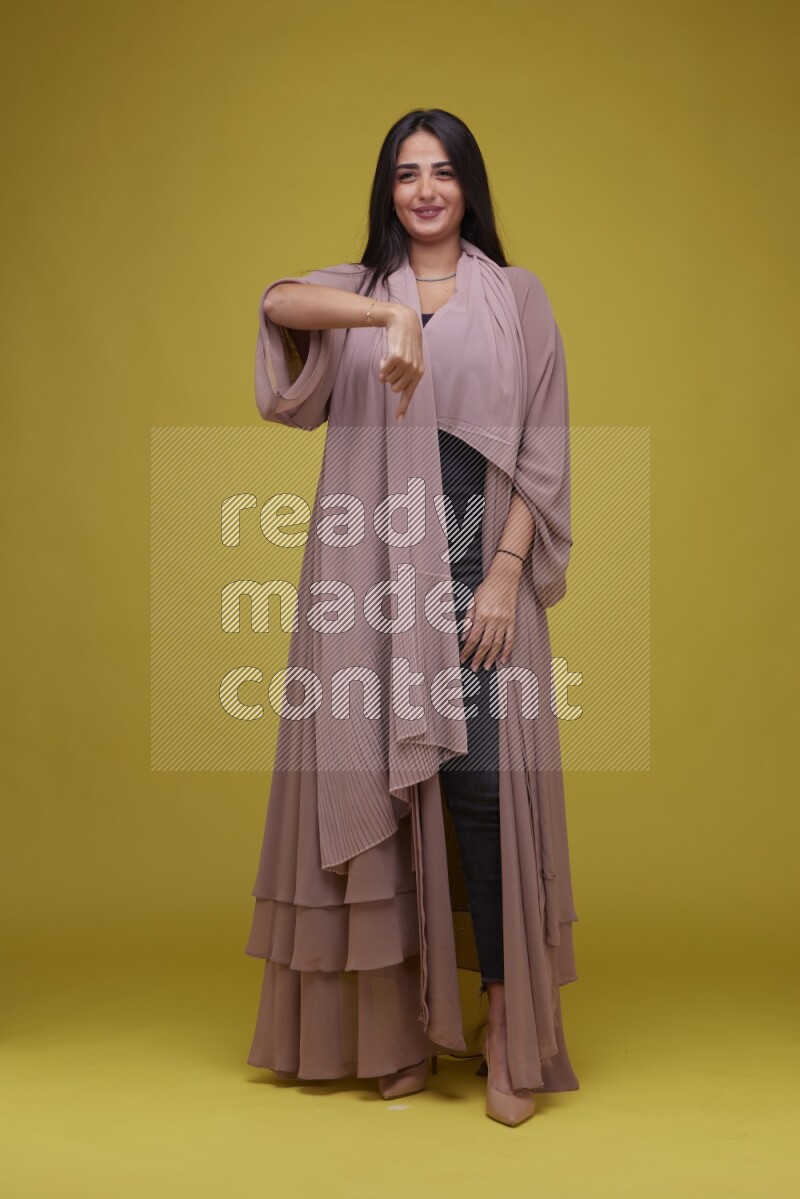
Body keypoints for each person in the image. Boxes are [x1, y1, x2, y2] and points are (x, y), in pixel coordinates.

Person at [244, 107, 580, 1126]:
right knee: (379, 788)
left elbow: (541, 445)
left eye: (442, 171)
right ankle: (397, 1033)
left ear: (469, 186)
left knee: (481, 788)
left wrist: (503, 573)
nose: (424, 189)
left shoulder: (517, 297)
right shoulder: (358, 289)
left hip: (479, 561)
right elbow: (276, 300)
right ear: (387, 191)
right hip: (369, 571)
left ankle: (502, 1029)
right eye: (405, 173)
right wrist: (384, 318)